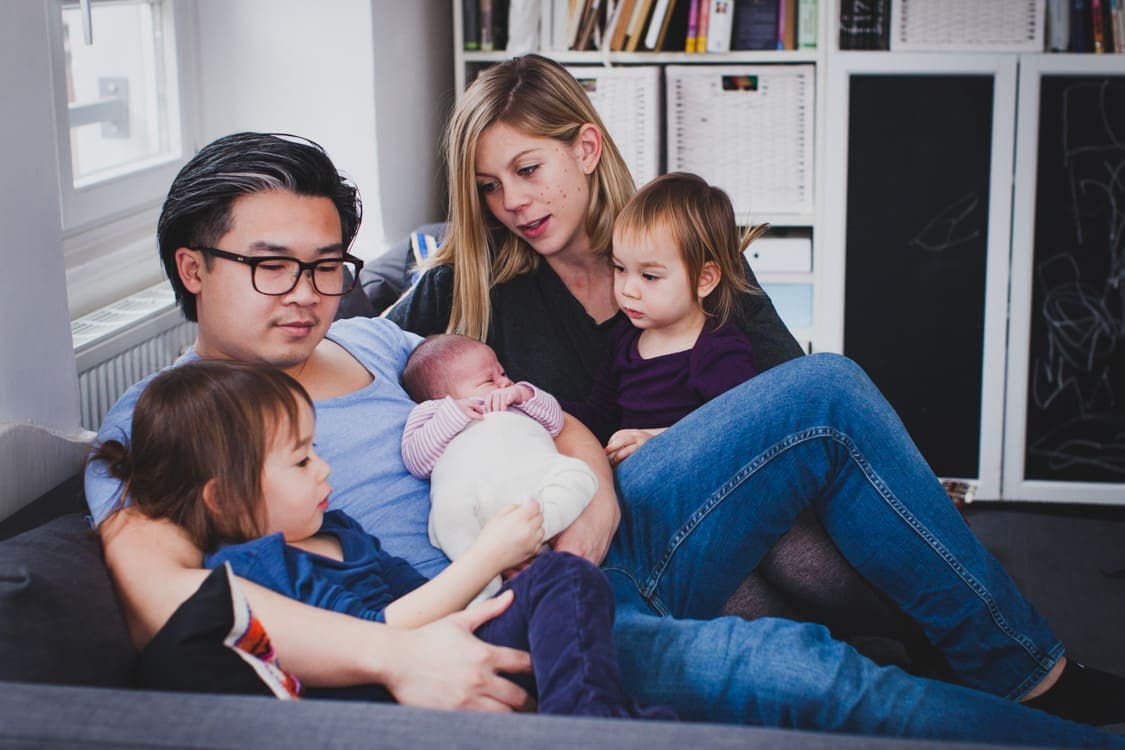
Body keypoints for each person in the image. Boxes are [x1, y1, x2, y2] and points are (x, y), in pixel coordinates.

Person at [83, 131, 1125, 746]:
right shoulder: (155, 425)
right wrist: (397, 654)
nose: (307, 295)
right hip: (511, 614)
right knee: (815, 674)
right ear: (192, 267)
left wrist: (600, 492)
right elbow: (170, 607)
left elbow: (523, 396)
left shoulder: (369, 332)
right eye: (273, 265)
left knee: (823, 391)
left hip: (591, 530)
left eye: (324, 264)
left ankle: (1024, 670)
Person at [378, 55, 1125, 732]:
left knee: (810, 475)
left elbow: (774, 395)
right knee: (828, 407)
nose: (510, 201)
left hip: (700, 501)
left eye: (527, 169)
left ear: (586, 147)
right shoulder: (465, 286)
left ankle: (956, 658)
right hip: (587, 524)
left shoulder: (676, 238)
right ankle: (1018, 670)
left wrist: (678, 438)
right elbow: (361, 358)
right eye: (487, 186)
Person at [92, 358, 666, 719]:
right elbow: (381, 635)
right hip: (391, 698)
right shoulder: (255, 569)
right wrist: (488, 553)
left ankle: (595, 718)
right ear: (222, 498)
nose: (323, 470)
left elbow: (428, 598)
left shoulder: (338, 529)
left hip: (449, 651)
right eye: (300, 460)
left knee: (560, 580)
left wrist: (505, 581)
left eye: (315, 449)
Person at [557, 172, 764, 463]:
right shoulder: (625, 341)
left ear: (704, 279)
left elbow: (738, 432)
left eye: (649, 276)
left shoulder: (718, 349)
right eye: (619, 268)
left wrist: (655, 439)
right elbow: (600, 418)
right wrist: (540, 406)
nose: (628, 290)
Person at [400, 333, 597, 601]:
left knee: (580, 475)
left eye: (502, 373)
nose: (504, 381)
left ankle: (541, 529)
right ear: (440, 395)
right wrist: (452, 415)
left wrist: (524, 394)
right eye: (489, 380)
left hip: (534, 483)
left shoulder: (515, 402)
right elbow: (416, 460)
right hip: (472, 499)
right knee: (449, 516)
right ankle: (483, 588)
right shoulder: (432, 413)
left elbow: (555, 422)